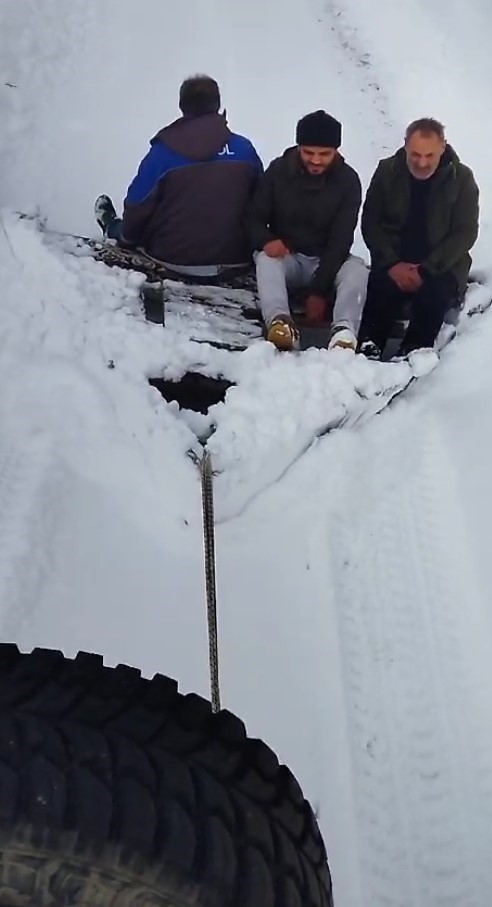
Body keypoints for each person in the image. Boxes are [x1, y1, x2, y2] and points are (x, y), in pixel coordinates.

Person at [94, 74, 263, 278]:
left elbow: (138, 204)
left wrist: (127, 238)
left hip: (172, 258)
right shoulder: (244, 150)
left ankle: (112, 228)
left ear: (182, 106)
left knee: (127, 227)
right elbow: (262, 202)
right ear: (217, 105)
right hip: (236, 259)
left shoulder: (164, 152)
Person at [358, 117, 480, 358]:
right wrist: (392, 263)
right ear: (405, 145)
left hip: (441, 265)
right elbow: (371, 221)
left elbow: (465, 232)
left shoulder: (461, 178)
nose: (421, 162)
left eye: (429, 155)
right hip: (394, 260)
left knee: (435, 293)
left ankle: (413, 351)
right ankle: (369, 345)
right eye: (415, 154)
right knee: (381, 286)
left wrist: (427, 269)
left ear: (443, 147)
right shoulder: (387, 171)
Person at [247, 109, 368, 351]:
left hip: (328, 260)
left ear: (336, 151)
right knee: (265, 260)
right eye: (309, 152)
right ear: (298, 147)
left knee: (357, 269)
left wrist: (319, 291)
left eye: (324, 154)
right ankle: (280, 323)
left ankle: (344, 332)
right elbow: (252, 217)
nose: (315, 160)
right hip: (288, 256)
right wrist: (266, 239)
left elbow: (341, 239)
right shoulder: (278, 171)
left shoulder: (348, 180)